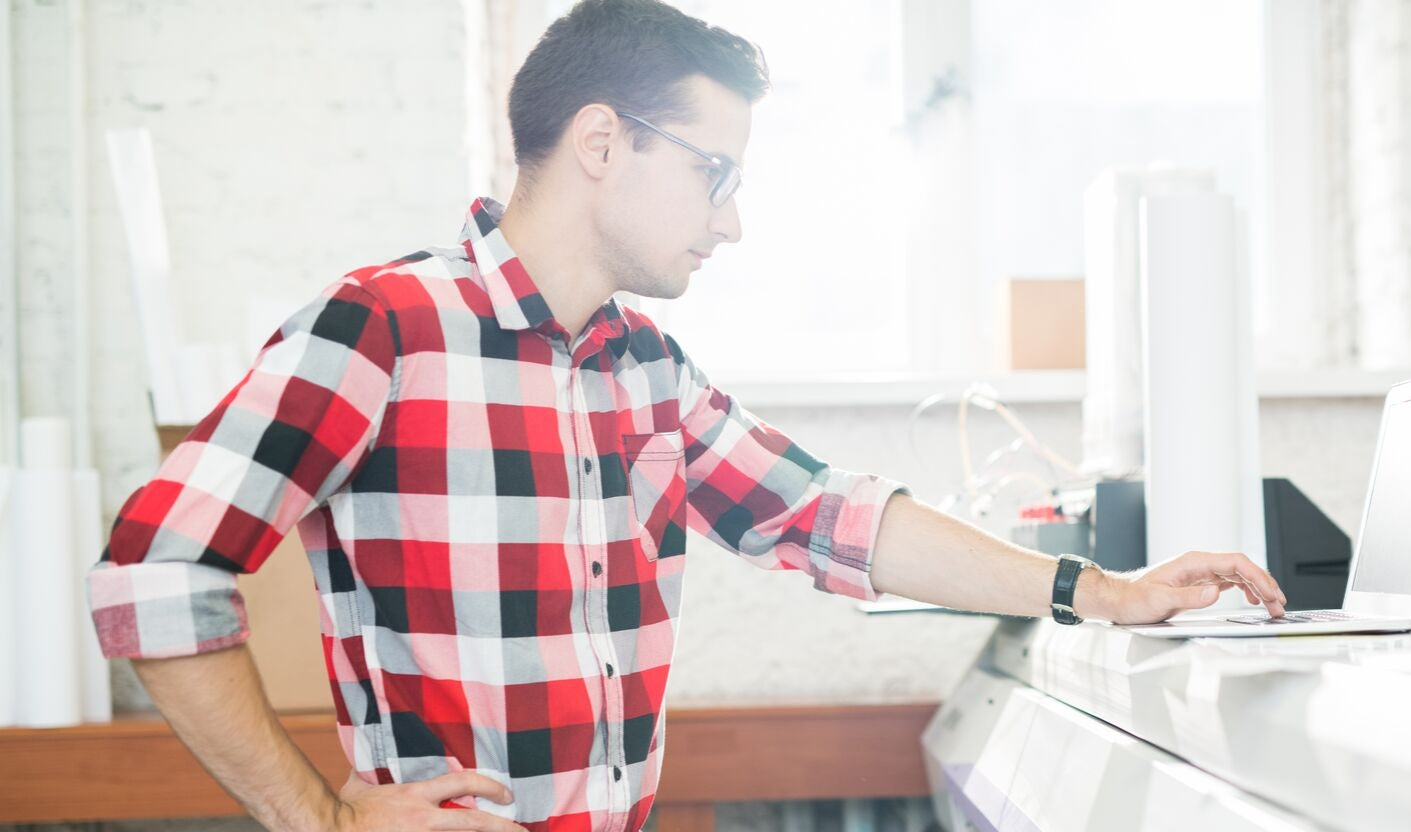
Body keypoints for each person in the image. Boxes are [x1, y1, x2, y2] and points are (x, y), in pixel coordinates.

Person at [85, 1, 1288, 829]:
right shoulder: (384, 329)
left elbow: (832, 520)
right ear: (601, 141)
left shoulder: (641, 366)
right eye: (715, 174)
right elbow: (150, 573)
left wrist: (1102, 589)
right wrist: (323, 818)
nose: (730, 222)